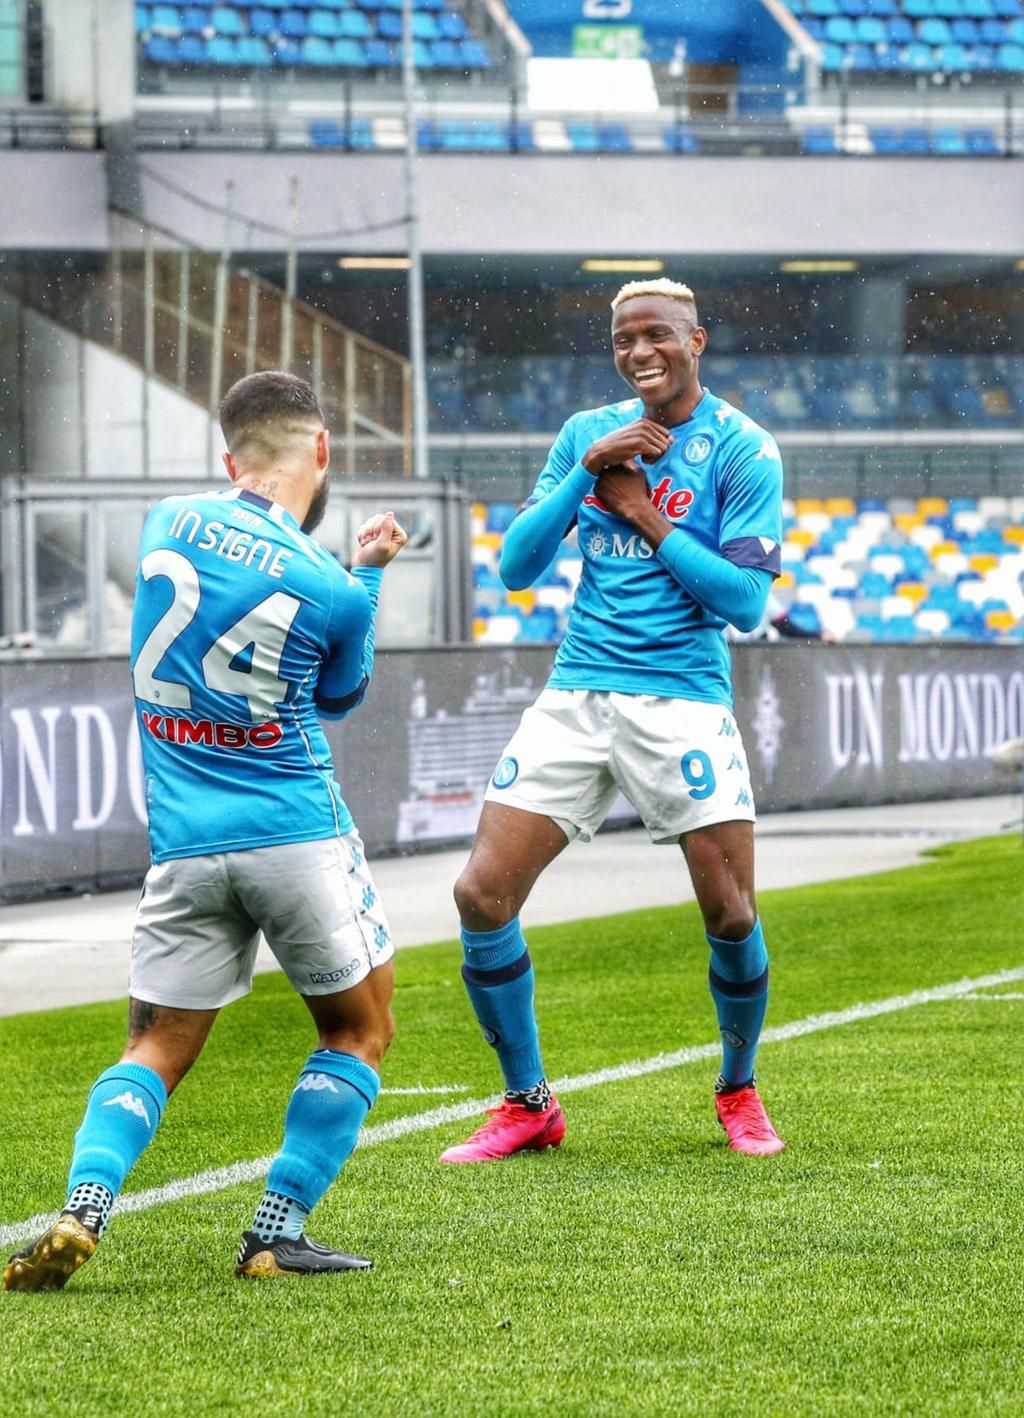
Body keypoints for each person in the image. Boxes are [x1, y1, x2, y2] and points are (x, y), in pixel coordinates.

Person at [4, 371, 408, 1290]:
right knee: (358, 1029)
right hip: (294, 830)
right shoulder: (330, 585)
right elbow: (340, 692)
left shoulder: (164, 521)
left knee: (153, 1045)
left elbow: (223, 570)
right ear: (325, 451)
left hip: (184, 844)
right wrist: (369, 575)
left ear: (228, 458)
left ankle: (83, 1208)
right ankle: (274, 1232)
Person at [440, 278, 786, 1165]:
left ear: (696, 340)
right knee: (481, 893)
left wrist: (641, 513)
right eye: (625, 339)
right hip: (578, 691)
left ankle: (738, 1087)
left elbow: (744, 602)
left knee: (733, 915)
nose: (640, 353)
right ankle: (527, 1102)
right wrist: (592, 469)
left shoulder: (744, 449)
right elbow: (517, 567)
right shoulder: (583, 437)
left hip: (683, 700)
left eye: (658, 336)